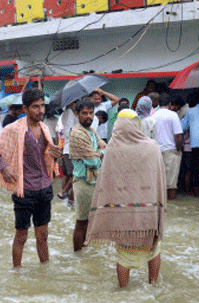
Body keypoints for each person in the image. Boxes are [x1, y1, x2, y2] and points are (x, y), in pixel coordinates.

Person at [86, 109, 166, 288]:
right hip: (148, 214)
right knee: (153, 251)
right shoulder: (152, 147)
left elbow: (106, 183)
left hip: (123, 217)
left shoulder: (112, 149)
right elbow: (159, 181)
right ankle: (153, 287)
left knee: (123, 256)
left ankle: (123, 292)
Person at [0, 89, 62, 268]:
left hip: (44, 188)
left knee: (43, 236)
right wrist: (4, 168)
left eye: (42, 106)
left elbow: (44, 155)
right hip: (24, 191)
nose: (41, 110)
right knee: (22, 236)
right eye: (36, 107)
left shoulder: (44, 129)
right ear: (26, 108)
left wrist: (54, 153)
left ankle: (44, 272)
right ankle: (16, 273)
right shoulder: (14, 129)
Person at [69, 99, 106, 252]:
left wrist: (99, 153)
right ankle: (77, 255)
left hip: (93, 181)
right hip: (83, 182)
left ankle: (83, 251)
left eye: (91, 113)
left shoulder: (91, 131)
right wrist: (100, 154)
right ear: (77, 114)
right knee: (82, 222)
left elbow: (104, 147)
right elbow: (92, 161)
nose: (88, 116)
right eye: (84, 113)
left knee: (90, 222)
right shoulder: (77, 133)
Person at [152, 93, 183, 200]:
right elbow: (178, 135)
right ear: (170, 104)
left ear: (159, 103)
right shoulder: (173, 115)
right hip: (171, 151)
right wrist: (179, 151)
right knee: (171, 184)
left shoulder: (153, 116)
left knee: (158, 184)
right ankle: (172, 209)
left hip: (156, 152)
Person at [55, 102, 78, 205]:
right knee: (76, 175)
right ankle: (64, 194)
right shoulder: (69, 113)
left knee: (68, 174)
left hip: (68, 149)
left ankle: (65, 196)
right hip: (70, 149)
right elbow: (68, 132)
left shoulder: (69, 113)